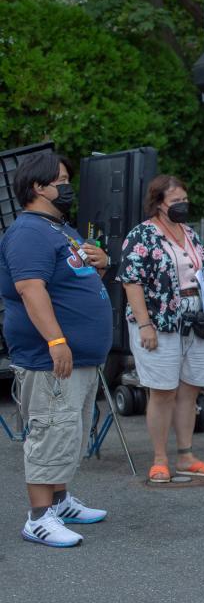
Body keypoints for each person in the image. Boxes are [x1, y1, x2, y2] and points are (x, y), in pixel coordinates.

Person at [0, 152, 111, 547]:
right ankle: (38, 517)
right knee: (50, 430)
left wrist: (102, 262)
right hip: (51, 357)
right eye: (60, 180)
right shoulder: (28, 231)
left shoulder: (60, 229)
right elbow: (31, 289)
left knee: (69, 429)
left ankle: (60, 501)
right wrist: (57, 340)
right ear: (37, 187)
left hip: (78, 357)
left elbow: (77, 276)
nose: (67, 187)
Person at [119, 175, 204, 484]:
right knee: (163, 391)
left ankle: (186, 455)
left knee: (190, 390)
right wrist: (144, 325)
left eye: (184, 200)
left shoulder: (190, 233)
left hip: (197, 319)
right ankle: (159, 459)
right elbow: (131, 282)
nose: (182, 206)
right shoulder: (141, 236)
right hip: (159, 321)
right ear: (158, 204)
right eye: (175, 202)